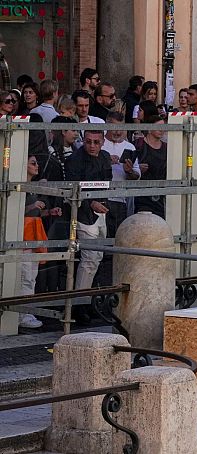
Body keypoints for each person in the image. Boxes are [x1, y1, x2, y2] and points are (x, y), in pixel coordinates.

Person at [65, 129, 112, 289]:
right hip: (83, 214)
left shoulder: (105, 157)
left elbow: (108, 181)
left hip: (101, 211)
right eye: (88, 141)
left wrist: (102, 203)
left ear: (103, 142)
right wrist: (91, 202)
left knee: (97, 256)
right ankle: (80, 300)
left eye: (96, 142)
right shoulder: (75, 160)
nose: (92, 145)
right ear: (83, 140)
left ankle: (85, 297)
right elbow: (72, 189)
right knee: (90, 258)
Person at [19, 156, 61, 328]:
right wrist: (32, 206)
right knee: (25, 276)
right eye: (33, 163)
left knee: (31, 276)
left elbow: (34, 213)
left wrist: (49, 212)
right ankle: (23, 315)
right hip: (23, 236)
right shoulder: (20, 187)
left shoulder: (32, 188)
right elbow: (15, 210)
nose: (37, 166)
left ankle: (26, 312)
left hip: (33, 235)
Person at [103, 111, 139, 238]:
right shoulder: (98, 143)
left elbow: (136, 176)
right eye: (114, 128)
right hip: (101, 198)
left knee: (118, 237)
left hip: (120, 200)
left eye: (121, 128)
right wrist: (105, 161)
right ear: (107, 125)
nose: (118, 132)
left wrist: (129, 171)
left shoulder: (130, 147)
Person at [130, 115, 168, 218]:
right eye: (158, 127)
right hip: (141, 196)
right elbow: (128, 167)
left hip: (160, 196)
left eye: (163, 127)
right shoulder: (138, 145)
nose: (162, 130)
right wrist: (137, 168)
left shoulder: (167, 147)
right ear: (149, 128)